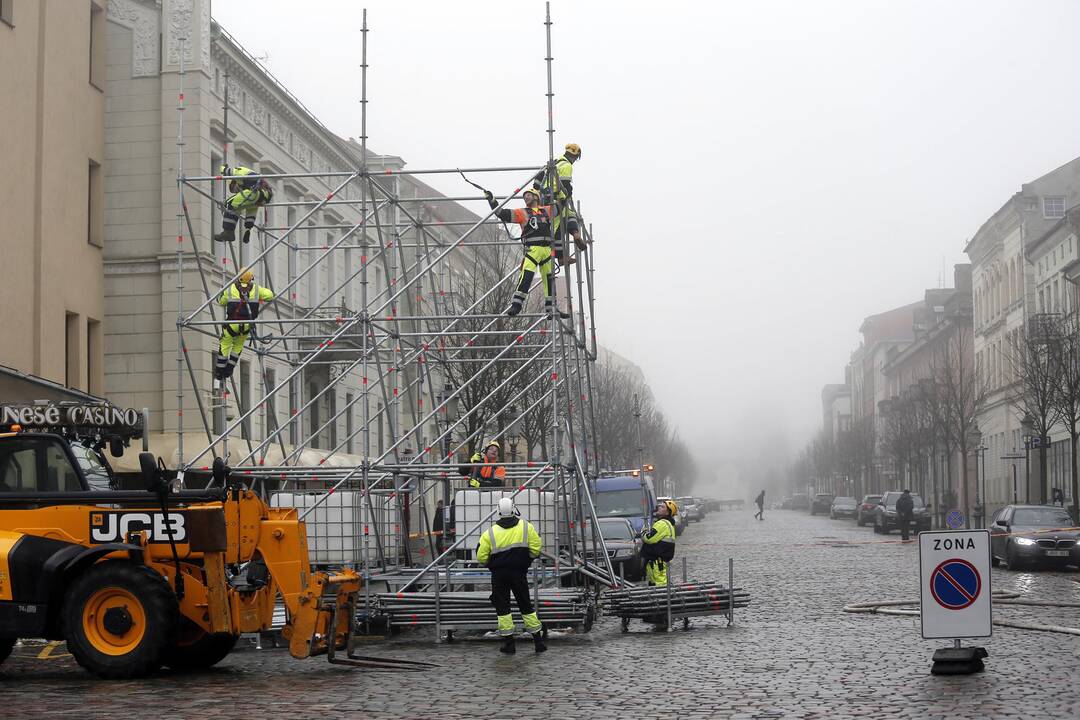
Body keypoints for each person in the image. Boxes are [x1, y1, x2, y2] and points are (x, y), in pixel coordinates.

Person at [485, 186, 573, 319]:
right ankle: (516, 305)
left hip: (546, 250)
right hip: (533, 249)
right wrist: (492, 201)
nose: (526, 197)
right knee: (526, 276)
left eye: (528, 195)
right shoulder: (522, 212)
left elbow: (561, 206)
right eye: (524, 196)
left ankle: (551, 308)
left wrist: (564, 193)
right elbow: (502, 213)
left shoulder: (546, 210)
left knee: (550, 280)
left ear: (536, 197)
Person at [476, 497, 545, 654]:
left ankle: (509, 644)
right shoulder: (526, 527)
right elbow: (536, 547)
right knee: (526, 605)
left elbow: (481, 557)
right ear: (514, 509)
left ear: (498, 512)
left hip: (499, 575)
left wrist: (490, 564)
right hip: (519, 572)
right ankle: (538, 642)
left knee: (503, 609)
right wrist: (527, 559)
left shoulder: (490, 533)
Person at [215, 268, 273, 381]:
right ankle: (229, 369)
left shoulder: (230, 288)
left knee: (225, 345)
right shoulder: (256, 289)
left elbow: (221, 301)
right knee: (238, 346)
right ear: (251, 278)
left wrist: (222, 292)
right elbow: (270, 295)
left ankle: (219, 372)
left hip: (232, 324)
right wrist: (258, 296)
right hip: (247, 325)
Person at [534, 143, 585, 257]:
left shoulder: (555, 163)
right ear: (575, 157)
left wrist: (536, 193)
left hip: (544, 197)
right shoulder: (567, 165)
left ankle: (575, 235)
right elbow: (565, 185)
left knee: (570, 215)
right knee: (559, 226)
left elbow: (538, 179)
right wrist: (567, 196)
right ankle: (561, 256)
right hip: (555, 199)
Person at [213, 164, 274, 244]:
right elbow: (251, 215)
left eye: (234, 189)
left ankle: (228, 232)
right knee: (238, 207)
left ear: (234, 183)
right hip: (262, 197)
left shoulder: (240, 173)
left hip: (257, 191)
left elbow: (230, 171)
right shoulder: (250, 192)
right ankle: (229, 232)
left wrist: (222, 168)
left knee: (231, 204)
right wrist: (248, 230)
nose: (236, 192)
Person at [640, 500, 678, 587]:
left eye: (662, 507)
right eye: (660, 506)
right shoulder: (668, 523)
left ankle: (664, 599)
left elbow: (649, 538)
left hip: (657, 561)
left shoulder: (662, 524)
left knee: (660, 585)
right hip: (658, 560)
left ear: (668, 512)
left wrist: (643, 532)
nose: (659, 507)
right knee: (657, 583)